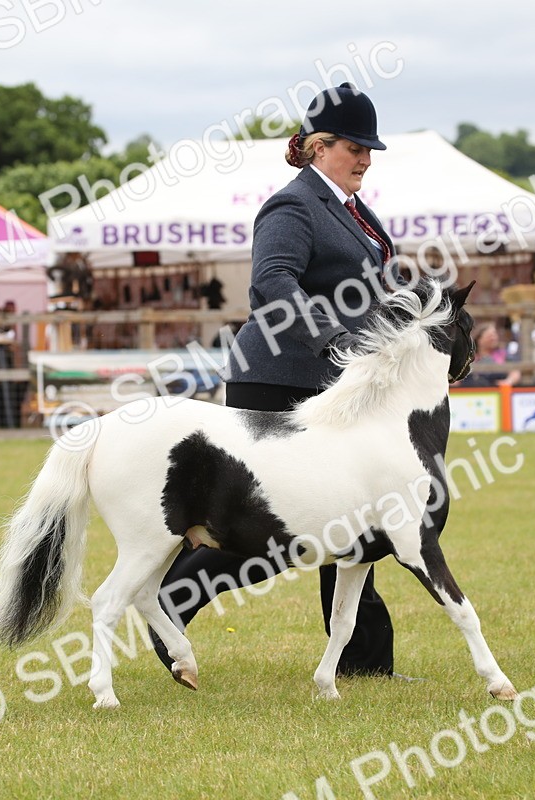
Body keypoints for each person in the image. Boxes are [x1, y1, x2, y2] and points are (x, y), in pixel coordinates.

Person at [152, 82, 401, 678]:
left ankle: (364, 661)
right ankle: (169, 601)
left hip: (333, 380)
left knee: (346, 519)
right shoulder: (292, 207)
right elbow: (273, 287)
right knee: (265, 529)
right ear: (319, 147)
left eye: (370, 148)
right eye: (354, 147)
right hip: (280, 379)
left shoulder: (352, 210)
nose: (366, 157)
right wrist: (331, 339)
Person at [457, 322, 521, 387]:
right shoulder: (468, 357)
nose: (493, 338)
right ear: (479, 340)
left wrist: (508, 381)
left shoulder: (503, 355)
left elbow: (515, 372)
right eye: (489, 336)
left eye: (494, 335)